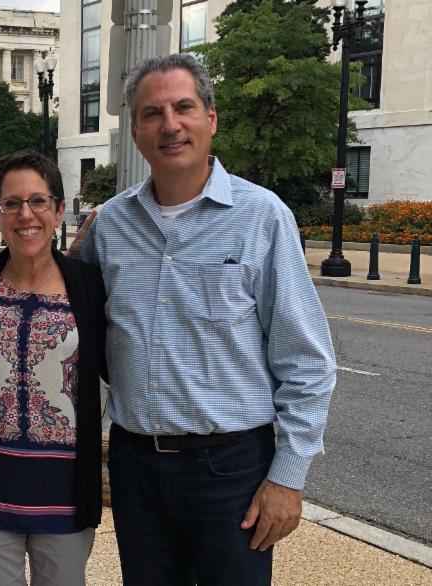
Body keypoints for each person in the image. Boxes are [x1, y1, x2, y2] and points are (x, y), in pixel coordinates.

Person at [77, 54, 337, 585]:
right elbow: (76, 323)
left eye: (184, 108)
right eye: (152, 113)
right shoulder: (111, 225)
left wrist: (288, 479)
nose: (170, 125)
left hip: (231, 471)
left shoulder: (262, 216)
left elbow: (307, 360)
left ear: (211, 118)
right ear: (135, 132)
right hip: (135, 467)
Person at [0, 150, 107, 586]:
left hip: (66, 495)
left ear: (59, 209)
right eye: (12, 203)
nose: (26, 214)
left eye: (39, 201)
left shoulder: (88, 285)